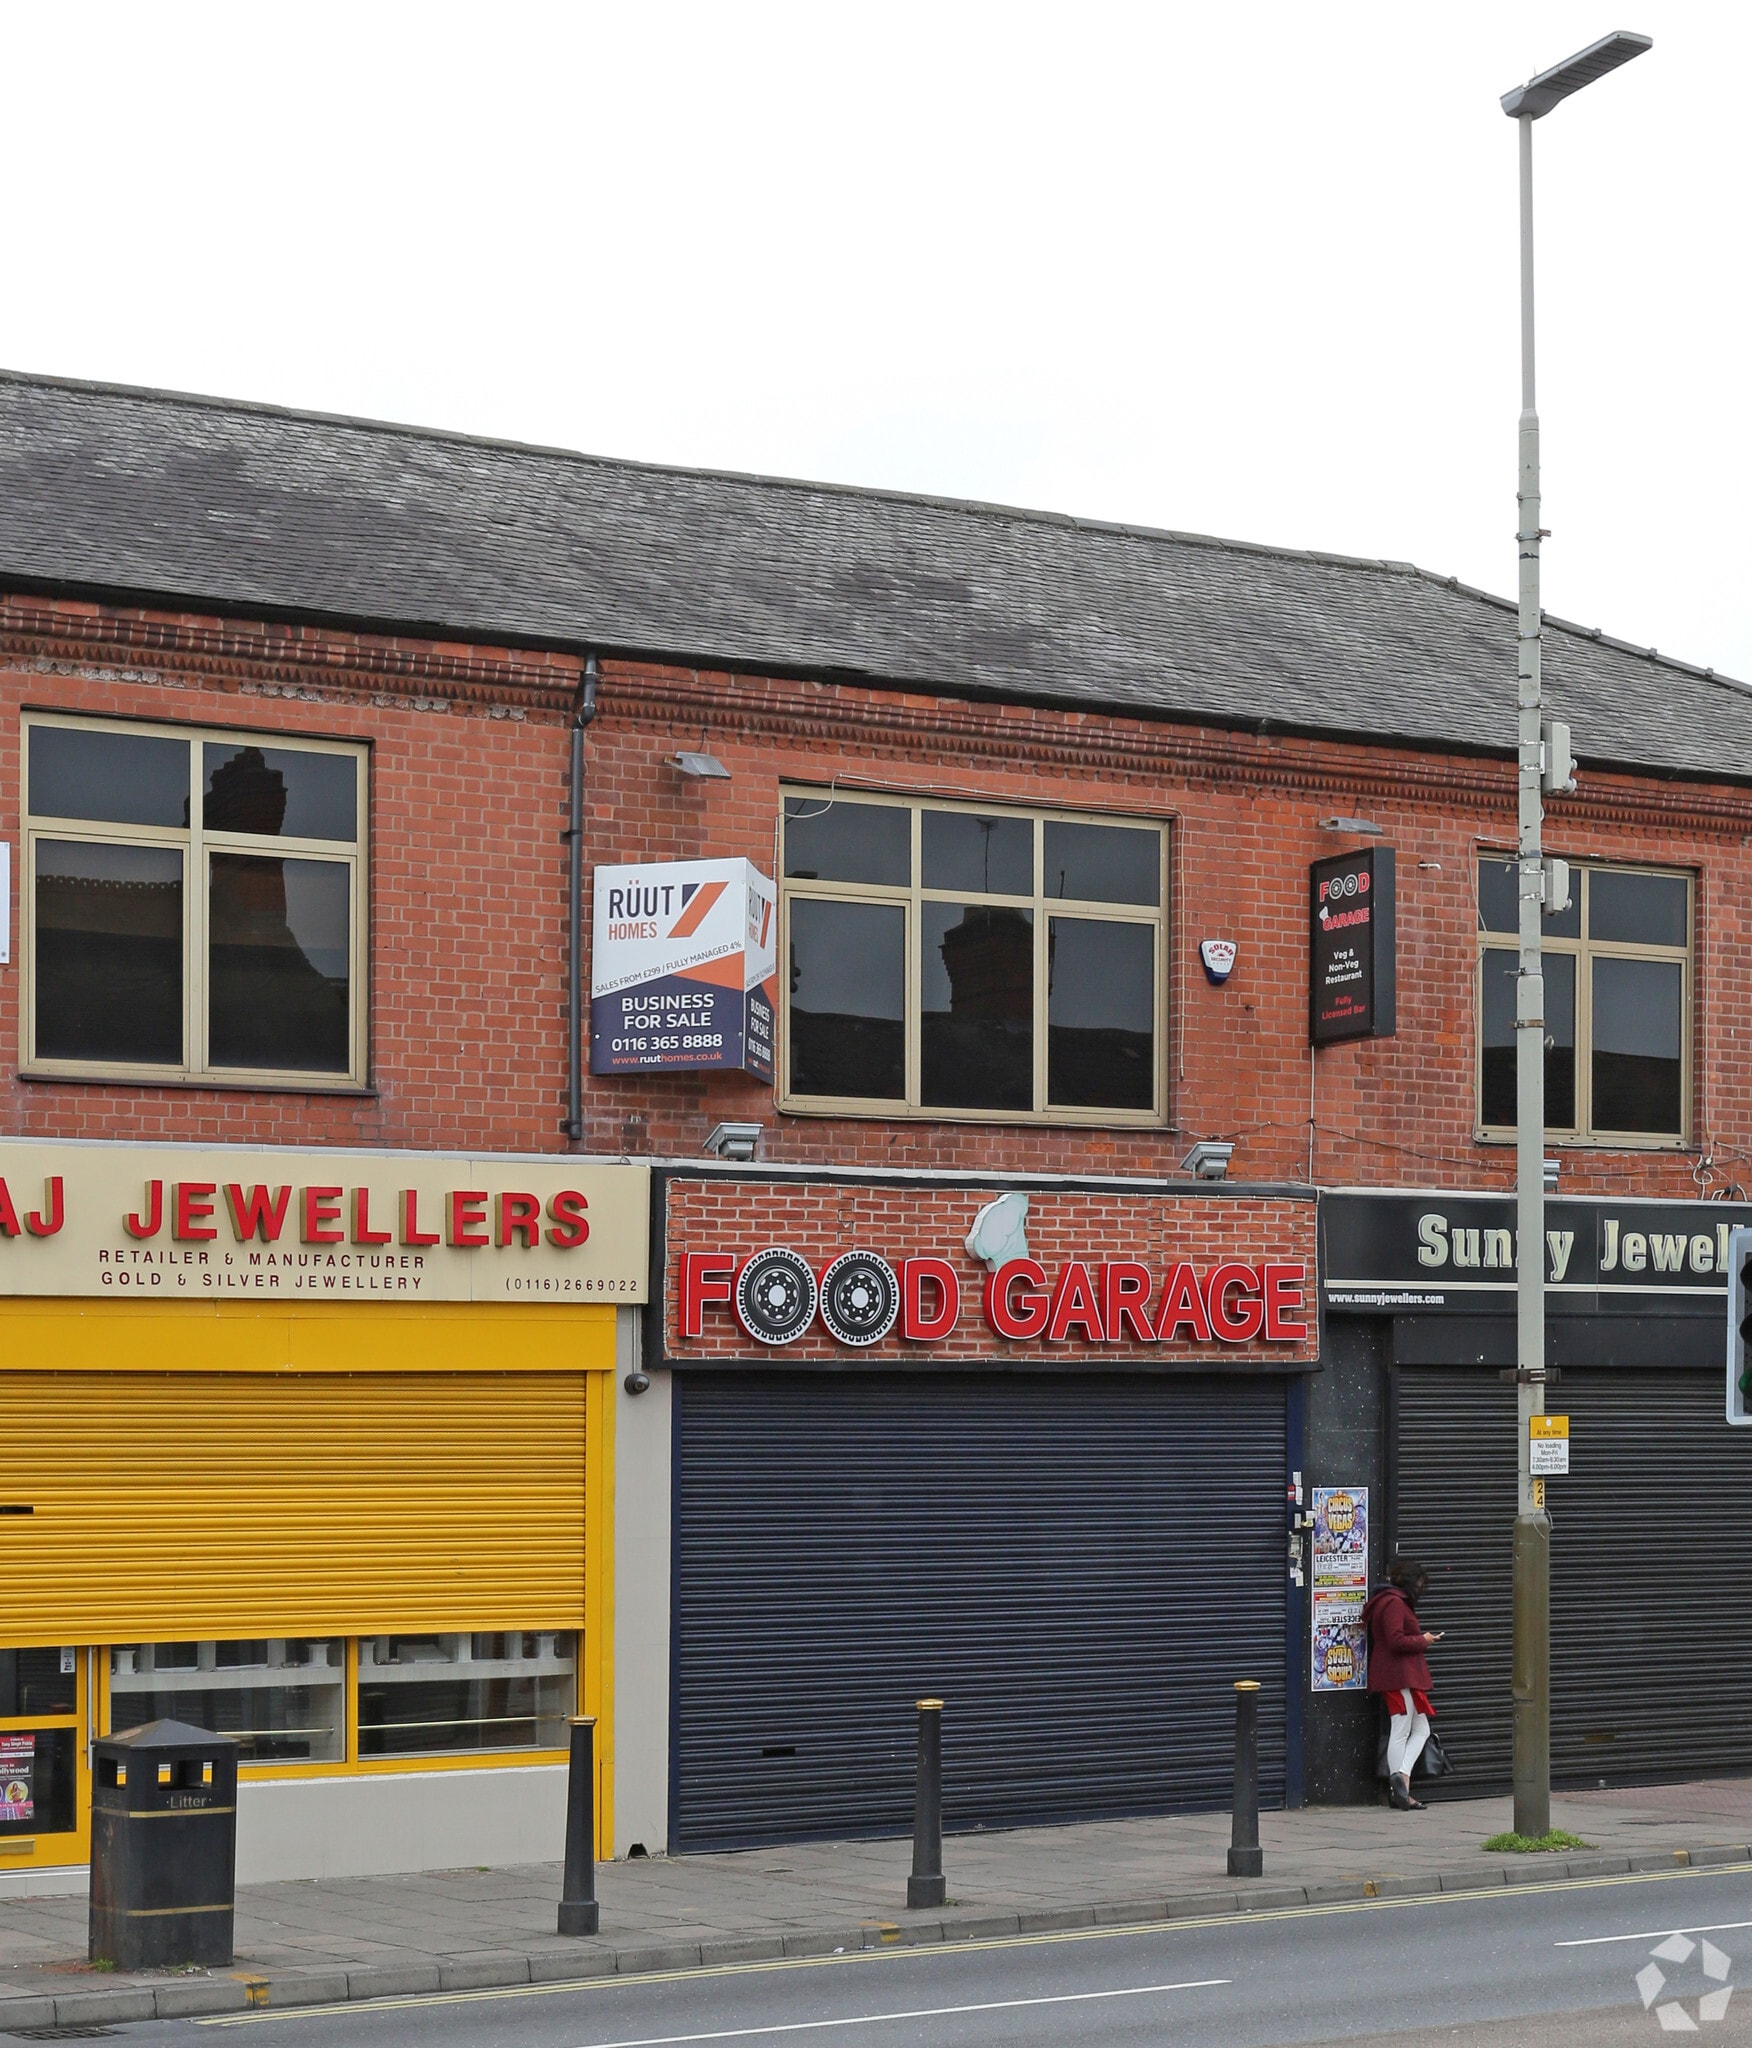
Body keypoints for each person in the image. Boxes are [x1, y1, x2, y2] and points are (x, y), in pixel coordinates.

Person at [1362, 1556, 1443, 1811]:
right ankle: (1400, 1785)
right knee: (1402, 1729)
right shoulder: (1394, 1603)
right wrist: (1424, 1640)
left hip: (1401, 1675)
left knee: (1420, 1730)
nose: (1420, 1588)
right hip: (1399, 1676)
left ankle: (1401, 1780)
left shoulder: (1388, 1601)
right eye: (1418, 1583)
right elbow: (1396, 1640)